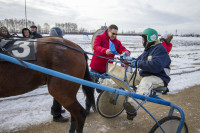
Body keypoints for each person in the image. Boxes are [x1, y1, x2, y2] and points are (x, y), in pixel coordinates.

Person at [124, 28, 171, 120]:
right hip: (146, 74)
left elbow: (156, 65)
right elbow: (139, 60)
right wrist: (130, 60)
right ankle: (106, 84)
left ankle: (132, 106)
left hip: (159, 77)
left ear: (149, 39)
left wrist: (138, 63)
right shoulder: (148, 49)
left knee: (146, 82)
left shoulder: (160, 49)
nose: (142, 42)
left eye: (143, 39)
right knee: (126, 76)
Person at [87, 24, 131, 115]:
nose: (114, 36)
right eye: (113, 33)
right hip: (96, 67)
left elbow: (122, 49)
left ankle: (104, 107)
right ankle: (87, 109)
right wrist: (105, 50)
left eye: (116, 34)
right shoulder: (100, 37)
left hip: (107, 69)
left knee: (106, 89)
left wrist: (126, 52)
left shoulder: (116, 42)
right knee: (90, 88)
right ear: (108, 31)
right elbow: (96, 46)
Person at [49, 27, 69, 122]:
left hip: (56, 73)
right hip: (56, 74)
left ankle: (56, 110)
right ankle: (56, 115)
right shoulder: (53, 46)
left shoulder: (53, 45)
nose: (62, 38)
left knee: (58, 93)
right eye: (60, 36)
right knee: (59, 92)